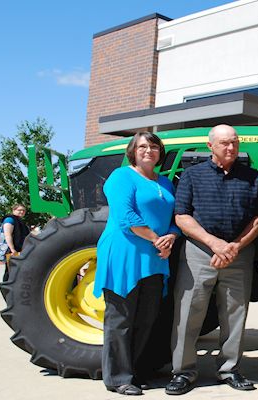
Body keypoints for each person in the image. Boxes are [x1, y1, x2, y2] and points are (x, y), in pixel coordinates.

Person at [166, 124, 258, 396]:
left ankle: (230, 369)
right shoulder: (191, 175)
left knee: (235, 314)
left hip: (238, 253)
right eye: (224, 143)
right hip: (200, 253)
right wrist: (214, 243)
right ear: (210, 146)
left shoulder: (252, 177)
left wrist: (235, 246)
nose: (231, 147)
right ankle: (183, 372)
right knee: (188, 313)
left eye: (234, 142)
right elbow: (182, 216)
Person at [93, 132, 180, 396]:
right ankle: (118, 378)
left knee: (146, 318)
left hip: (155, 257)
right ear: (133, 151)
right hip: (125, 253)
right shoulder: (121, 177)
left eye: (154, 146)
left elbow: (176, 216)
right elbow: (125, 216)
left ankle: (137, 372)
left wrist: (172, 236)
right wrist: (157, 239)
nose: (148, 151)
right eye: (142, 146)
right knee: (121, 318)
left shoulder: (165, 182)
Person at [2, 203, 29, 281]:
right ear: (14, 210)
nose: (22, 212)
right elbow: (8, 235)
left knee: (17, 272)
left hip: (19, 249)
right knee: (10, 272)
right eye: (19, 210)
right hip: (12, 250)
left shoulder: (20, 221)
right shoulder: (10, 220)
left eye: (24, 211)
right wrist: (12, 249)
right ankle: (7, 289)